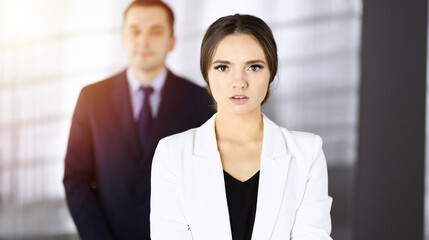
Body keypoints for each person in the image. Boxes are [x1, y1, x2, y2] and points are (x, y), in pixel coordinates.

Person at [150, 13, 333, 240]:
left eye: (254, 67)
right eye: (223, 67)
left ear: (271, 73)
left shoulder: (307, 152)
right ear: (206, 74)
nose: (239, 82)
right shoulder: (172, 154)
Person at [63, 1, 214, 239]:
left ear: (172, 41)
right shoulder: (91, 99)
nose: (143, 41)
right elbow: (76, 178)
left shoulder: (201, 101)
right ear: (122, 38)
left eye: (155, 32)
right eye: (135, 31)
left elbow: (208, 181)